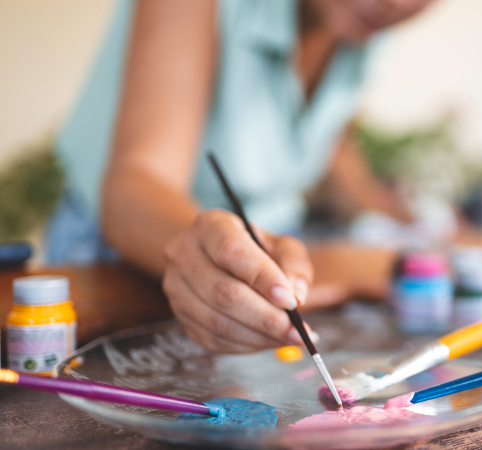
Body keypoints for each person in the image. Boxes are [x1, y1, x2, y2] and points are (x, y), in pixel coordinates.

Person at [47, 0, 433, 353]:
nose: (397, 2)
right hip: (124, 259)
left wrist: (414, 224)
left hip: (260, 266)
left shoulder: (362, 24)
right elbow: (137, 181)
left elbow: (320, 144)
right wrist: (210, 250)